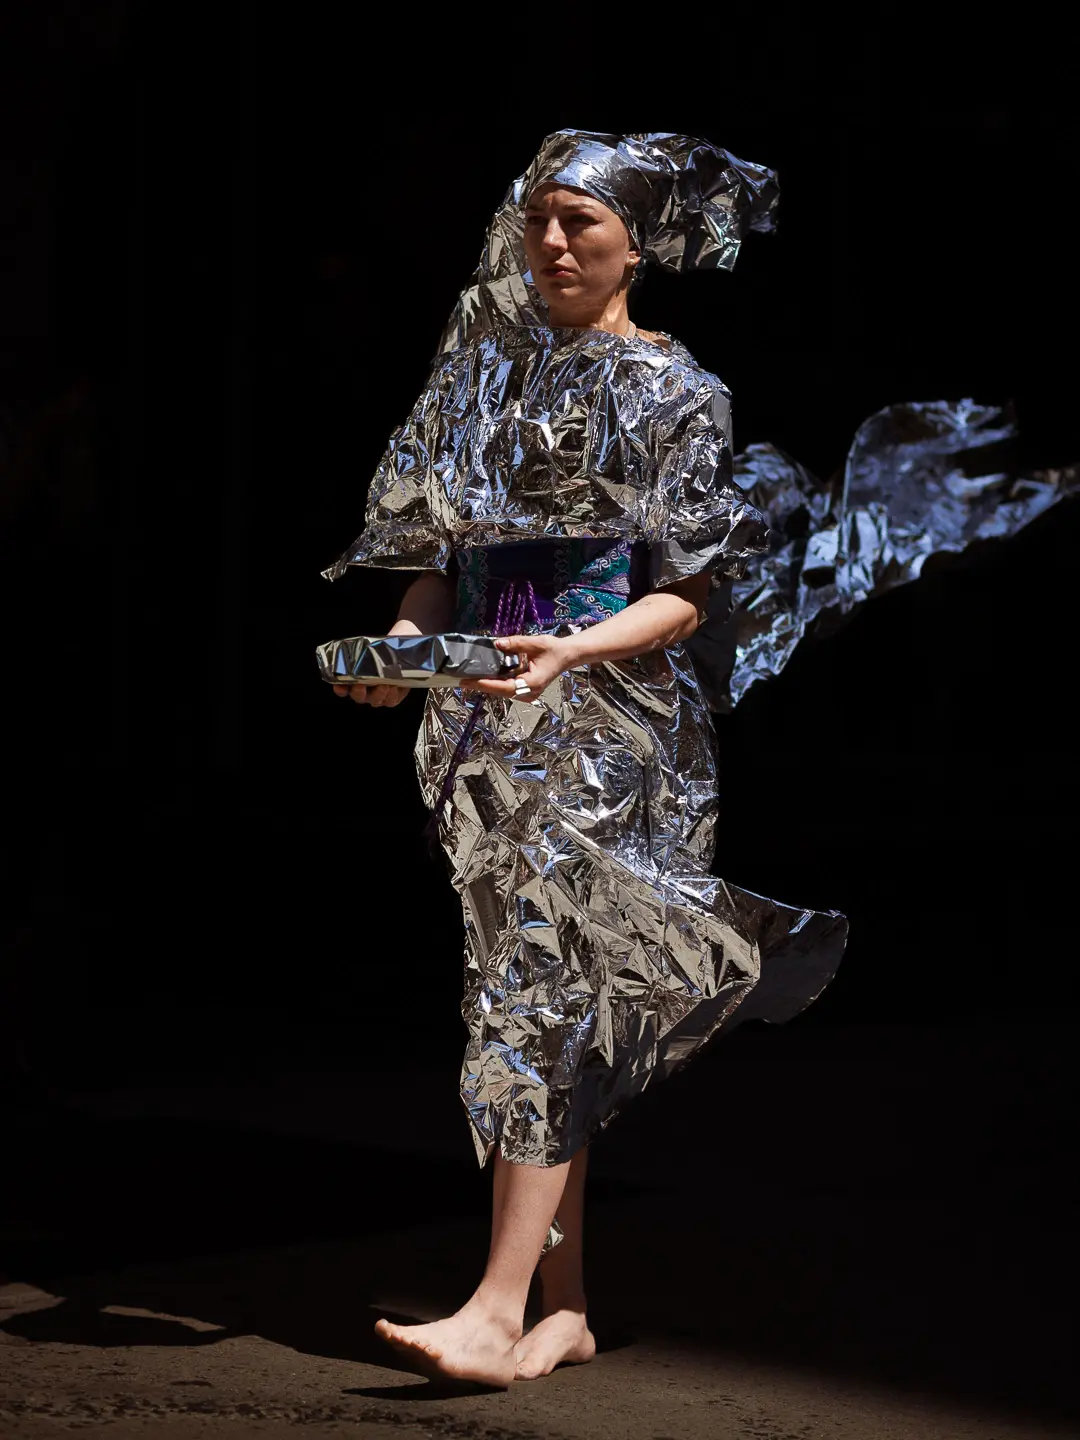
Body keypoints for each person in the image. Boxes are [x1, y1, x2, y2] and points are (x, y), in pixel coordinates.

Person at [324, 131, 848, 1386]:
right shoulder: (480, 378)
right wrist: (405, 651)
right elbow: (438, 565)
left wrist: (569, 650)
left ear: (637, 245)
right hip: (481, 731)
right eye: (540, 220)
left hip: (610, 726)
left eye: (582, 222)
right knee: (542, 992)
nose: (554, 243)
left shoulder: (677, 392)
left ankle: (498, 1307)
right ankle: (566, 1304)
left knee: (538, 998)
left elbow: (687, 593)